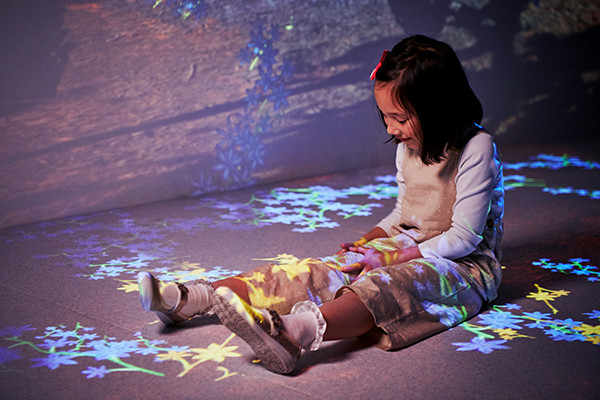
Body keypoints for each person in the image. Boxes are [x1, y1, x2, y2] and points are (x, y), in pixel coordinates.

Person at [137, 34, 504, 375]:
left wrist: (388, 259)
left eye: (401, 118)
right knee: (320, 271)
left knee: (386, 285)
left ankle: (293, 334)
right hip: (405, 246)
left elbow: (463, 239)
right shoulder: (407, 146)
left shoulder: (477, 148)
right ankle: (193, 299)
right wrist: (367, 243)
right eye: (386, 117)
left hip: (462, 266)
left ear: (439, 109)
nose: (391, 129)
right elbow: (403, 214)